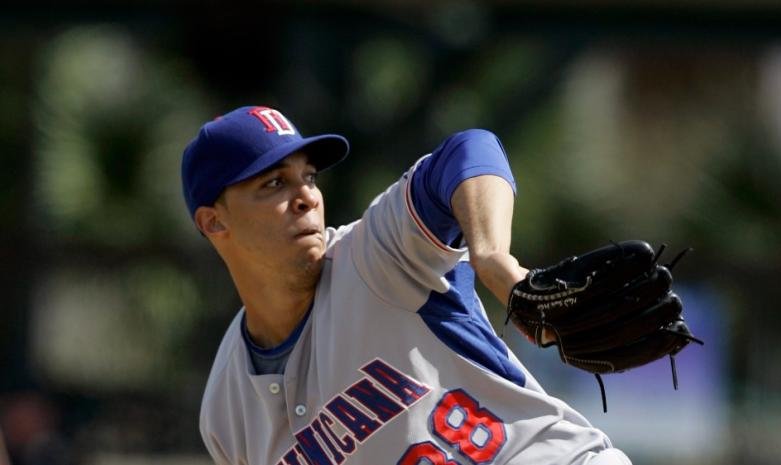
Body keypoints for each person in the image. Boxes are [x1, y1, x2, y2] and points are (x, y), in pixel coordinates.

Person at [181, 106, 631, 465]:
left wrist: (494, 260)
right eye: (275, 183)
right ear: (214, 221)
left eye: (309, 177)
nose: (307, 197)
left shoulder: (376, 254)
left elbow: (468, 150)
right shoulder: (226, 413)